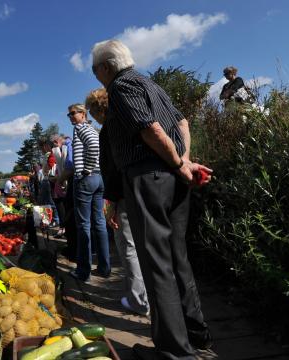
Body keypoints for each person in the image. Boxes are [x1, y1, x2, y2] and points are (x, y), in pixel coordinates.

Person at [91, 39, 213, 359]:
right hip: (171, 178)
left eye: (94, 70)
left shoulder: (121, 86)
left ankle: (174, 351)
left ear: (105, 67)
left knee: (156, 264)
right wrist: (184, 162)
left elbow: (150, 129)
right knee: (177, 258)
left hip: (149, 178)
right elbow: (182, 123)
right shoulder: (151, 84)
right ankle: (196, 335)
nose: (95, 76)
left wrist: (176, 163)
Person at [85, 87, 150, 317]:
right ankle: (157, 297)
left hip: (124, 192)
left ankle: (138, 300)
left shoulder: (108, 130)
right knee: (151, 244)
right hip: (149, 187)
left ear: (96, 110)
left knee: (128, 245)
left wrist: (110, 202)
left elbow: (111, 170)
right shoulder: (133, 120)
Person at [66, 103, 110, 282]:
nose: (71, 117)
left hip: (86, 179)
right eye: (69, 115)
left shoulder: (80, 128)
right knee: (99, 222)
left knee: (83, 225)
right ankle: (104, 267)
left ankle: (83, 271)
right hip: (99, 178)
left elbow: (93, 147)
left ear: (83, 114)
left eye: (73, 113)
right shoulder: (92, 129)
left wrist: (86, 169)